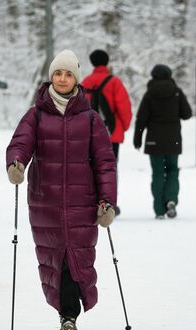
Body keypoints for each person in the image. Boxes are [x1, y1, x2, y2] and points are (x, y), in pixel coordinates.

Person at [5, 49, 117, 330]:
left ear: (76, 79)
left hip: (82, 202)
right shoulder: (36, 115)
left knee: (74, 260)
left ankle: (68, 318)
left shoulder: (91, 120)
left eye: (68, 74)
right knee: (53, 262)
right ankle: (66, 316)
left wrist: (108, 201)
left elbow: (105, 163)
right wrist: (16, 164)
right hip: (47, 203)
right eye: (58, 73)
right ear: (51, 77)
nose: (63, 78)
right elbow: (20, 144)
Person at [133, 64, 192, 219]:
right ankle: (171, 200)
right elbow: (187, 114)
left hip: (154, 141)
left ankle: (159, 209)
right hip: (173, 140)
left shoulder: (149, 94)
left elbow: (141, 119)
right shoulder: (177, 92)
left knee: (158, 173)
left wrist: (137, 139)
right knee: (172, 170)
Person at [81, 49, 132, 216]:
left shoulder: (86, 82)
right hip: (111, 134)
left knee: (91, 168)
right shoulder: (114, 82)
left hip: (89, 134)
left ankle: (92, 202)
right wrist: (122, 127)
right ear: (107, 62)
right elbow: (124, 107)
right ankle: (109, 204)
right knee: (110, 169)